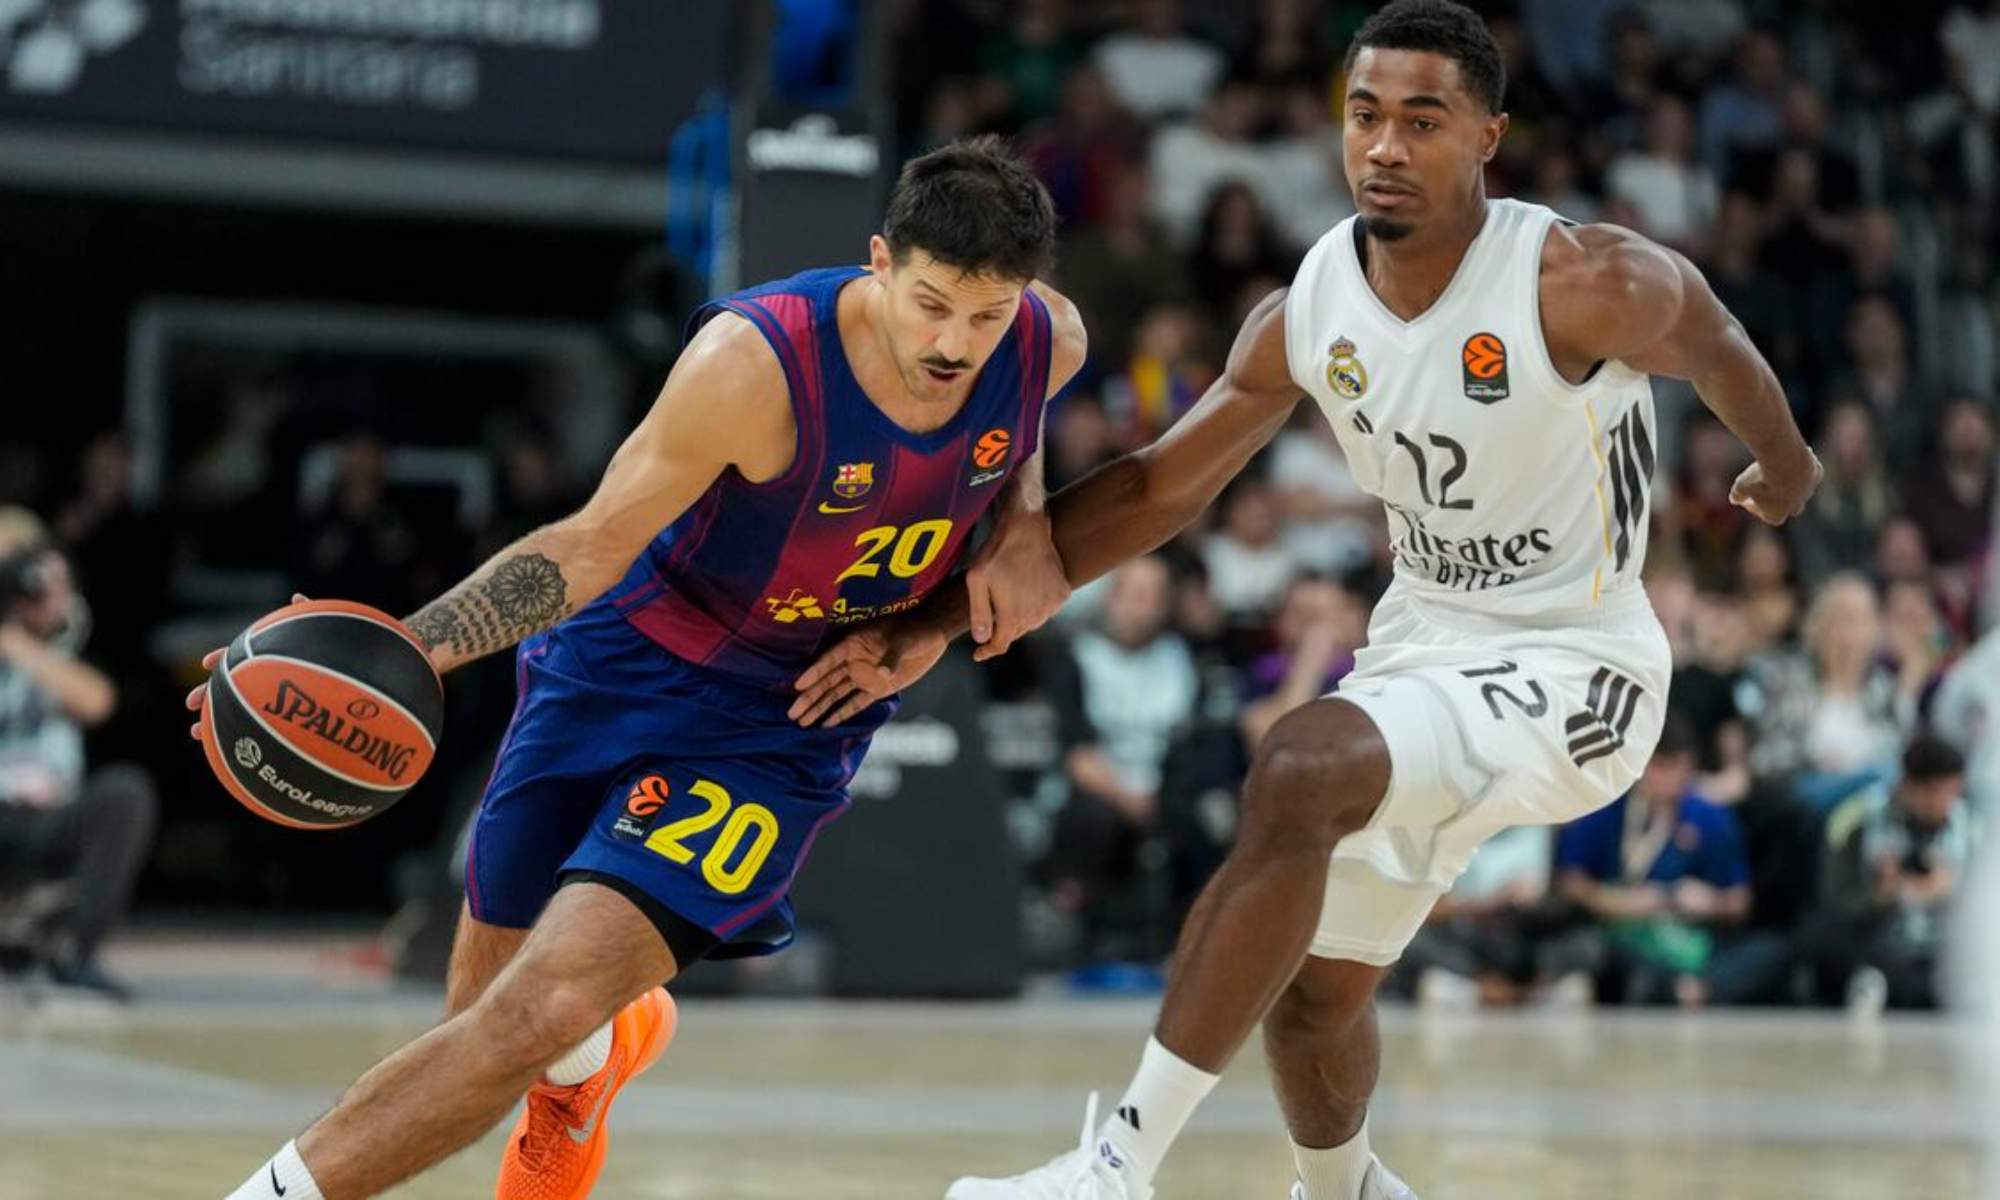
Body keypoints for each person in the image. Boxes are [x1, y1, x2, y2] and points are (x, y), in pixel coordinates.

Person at [791, 4, 1820, 1197]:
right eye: (1364, 115)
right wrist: (935, 622)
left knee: (1297, 764)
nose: (1383, 145)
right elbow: (1156, 488)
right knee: (1313, 996)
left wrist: (1785, 467)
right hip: (1422, 648)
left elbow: (1717, 337)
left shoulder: (1586, 280)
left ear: (1487, 136)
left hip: (1578, 663)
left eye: (1422, 121)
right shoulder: (1309, 307)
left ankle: (1112, 1170)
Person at [197, 137, 1086, 1200]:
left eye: (987, 317)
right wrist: (404, 649)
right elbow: (587, 547)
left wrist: (1024, 515)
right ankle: (590, 1066)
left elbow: (1014, 418)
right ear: (880, 262)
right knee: (482, 1023)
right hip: (621, 658)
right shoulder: (753, 366)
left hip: (782, 715)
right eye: (932, 305)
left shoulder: (1047, 341)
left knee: (532, 1013)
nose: (955, 344)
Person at [0, 508, 156, 1001]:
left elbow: (97, 701)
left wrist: (18, 639)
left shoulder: (62, 642)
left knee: (125, 793)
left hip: (47, 813)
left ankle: (76, 954)